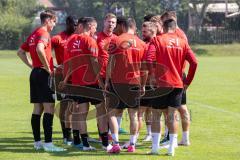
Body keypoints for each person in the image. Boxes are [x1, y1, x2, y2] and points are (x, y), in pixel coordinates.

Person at [146, 18, 198, 156]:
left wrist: (151, 75)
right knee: (172, 115)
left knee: (156, 115)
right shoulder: (183, 42)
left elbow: (149, 58)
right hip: (177, 84)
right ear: (175, 28)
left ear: (163, 26)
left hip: (161, 83)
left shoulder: (157, 40)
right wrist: (187, 81)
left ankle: (155, 148)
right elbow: (194, 62)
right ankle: (171, 150)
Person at [17, 10, 65, 152]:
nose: (54, 25)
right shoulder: (44, 34)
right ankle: (49, 144)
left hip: (35, 73)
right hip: (43, 75)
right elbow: (39, 49)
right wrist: (47, 68)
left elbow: (20, 52)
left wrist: (35, 65)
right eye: (54, 21)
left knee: (38, 108)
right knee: (49, 107)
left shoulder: (33, 34)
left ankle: (37, 142)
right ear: (48, 20)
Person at [106, 17, 145, 153]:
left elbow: (111, 63)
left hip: (117, 83)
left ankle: (116, 143)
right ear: (133, 27)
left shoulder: (115, 40)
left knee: (112, 113)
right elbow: (144, 68)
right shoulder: (141, 43)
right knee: (133, 115)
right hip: (135, 82)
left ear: (123, 26)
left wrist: (106, 81)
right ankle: (132, 145)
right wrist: (143, 85)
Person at [160, 11, 192, 147]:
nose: (163, 25)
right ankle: (183, 138)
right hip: (178, 75)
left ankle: (172, 138)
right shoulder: (180, 34)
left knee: (174, 110)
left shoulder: (178, 35)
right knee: (178, 109)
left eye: (165, 21)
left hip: (175, 75)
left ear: (171, 20)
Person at [51, 15, 78, 145]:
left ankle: (77, 133)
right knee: (64, 105)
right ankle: (66, 136)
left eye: (77, 24)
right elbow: (44, 50)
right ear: (68, 24)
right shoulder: (57, 39)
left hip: (76, 77)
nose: (76, 26)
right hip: (61, 77)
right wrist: (54, 65)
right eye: (74, 24)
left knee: (76, 106)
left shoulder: (78, 38)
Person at [138, 21, 158, 142]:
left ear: (152, 31)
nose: (142, 33)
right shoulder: (147, 43)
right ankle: (150, 134)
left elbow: (147, 64)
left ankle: (132, 140)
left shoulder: (153, 44)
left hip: (150, 82)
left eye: (145, 31)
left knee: (141, 111)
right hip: (150, 82)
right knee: (149, 110)